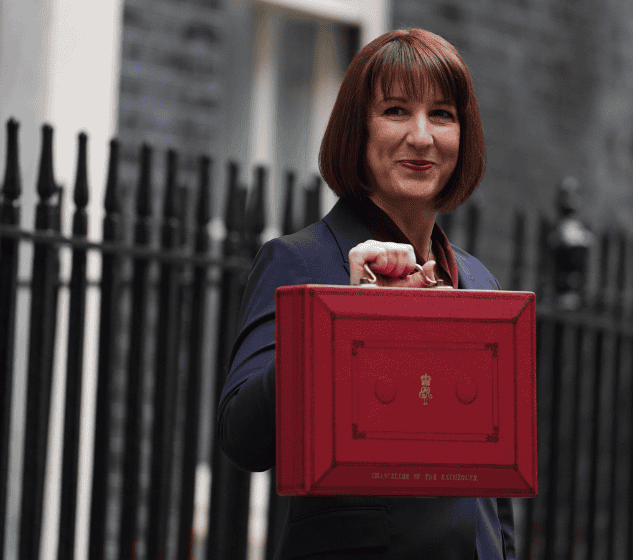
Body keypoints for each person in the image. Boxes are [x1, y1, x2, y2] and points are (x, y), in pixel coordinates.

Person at [217, 28, 516, 560]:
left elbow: (493, 487)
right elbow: (243, 437)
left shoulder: (479, 281)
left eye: (442, 114)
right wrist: (346, 315)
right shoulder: (300, 260)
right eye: (396, 110)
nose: (422, 137)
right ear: (358, 131)